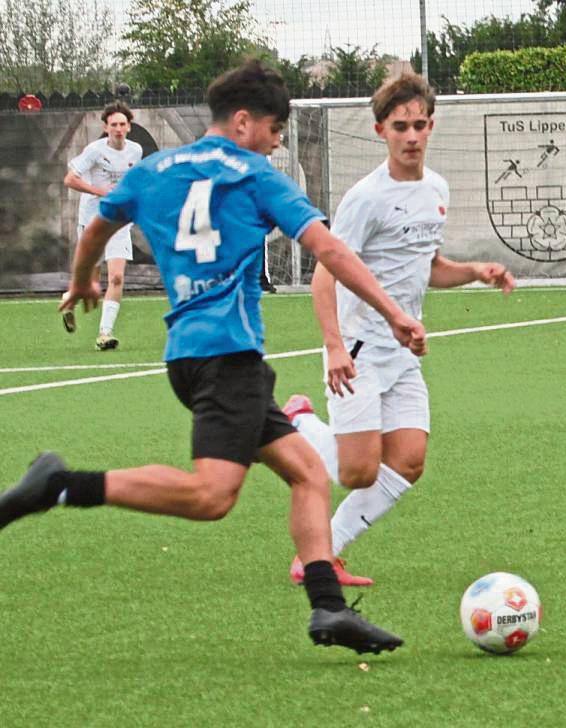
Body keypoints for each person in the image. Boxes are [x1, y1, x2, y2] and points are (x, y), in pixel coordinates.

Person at [1, 60, 427, 655]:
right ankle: (61, 485)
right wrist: (394, 311)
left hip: (190, 356)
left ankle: (328, 609)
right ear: (245, 121)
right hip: (228, 358)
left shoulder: (152, 170)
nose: (278, 141)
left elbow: (97, 226)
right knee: (211, 497)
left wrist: (81, 282)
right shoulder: (254, 176)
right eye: (275, 129)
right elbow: (328, 248)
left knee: (306, 472)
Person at [282, 73, 515, 586]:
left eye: (420, 125)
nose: (411, 136)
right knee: (356, 472)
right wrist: (334, 345)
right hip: (358, 348)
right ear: (380, 130)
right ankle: (298, 422)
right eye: (400, 127)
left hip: (404, 347)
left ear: (432, 127)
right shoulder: (366, 198)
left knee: (408, 462)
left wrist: (474, 270)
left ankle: (320, 556)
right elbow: (325, 274)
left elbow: (426, 265)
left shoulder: (436, 188)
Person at [62, 102, 143, 349]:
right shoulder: (94, 151)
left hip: (118, 222)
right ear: (106, 128)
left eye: (122, 124)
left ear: (129, 127)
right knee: (91, 285)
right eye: (113, 125)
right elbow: (69, 180)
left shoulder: (136, 151)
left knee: (117, 277)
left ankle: (104, 334)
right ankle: (69, 300)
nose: (118, 129)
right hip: (92, 222)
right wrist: (99, 191)